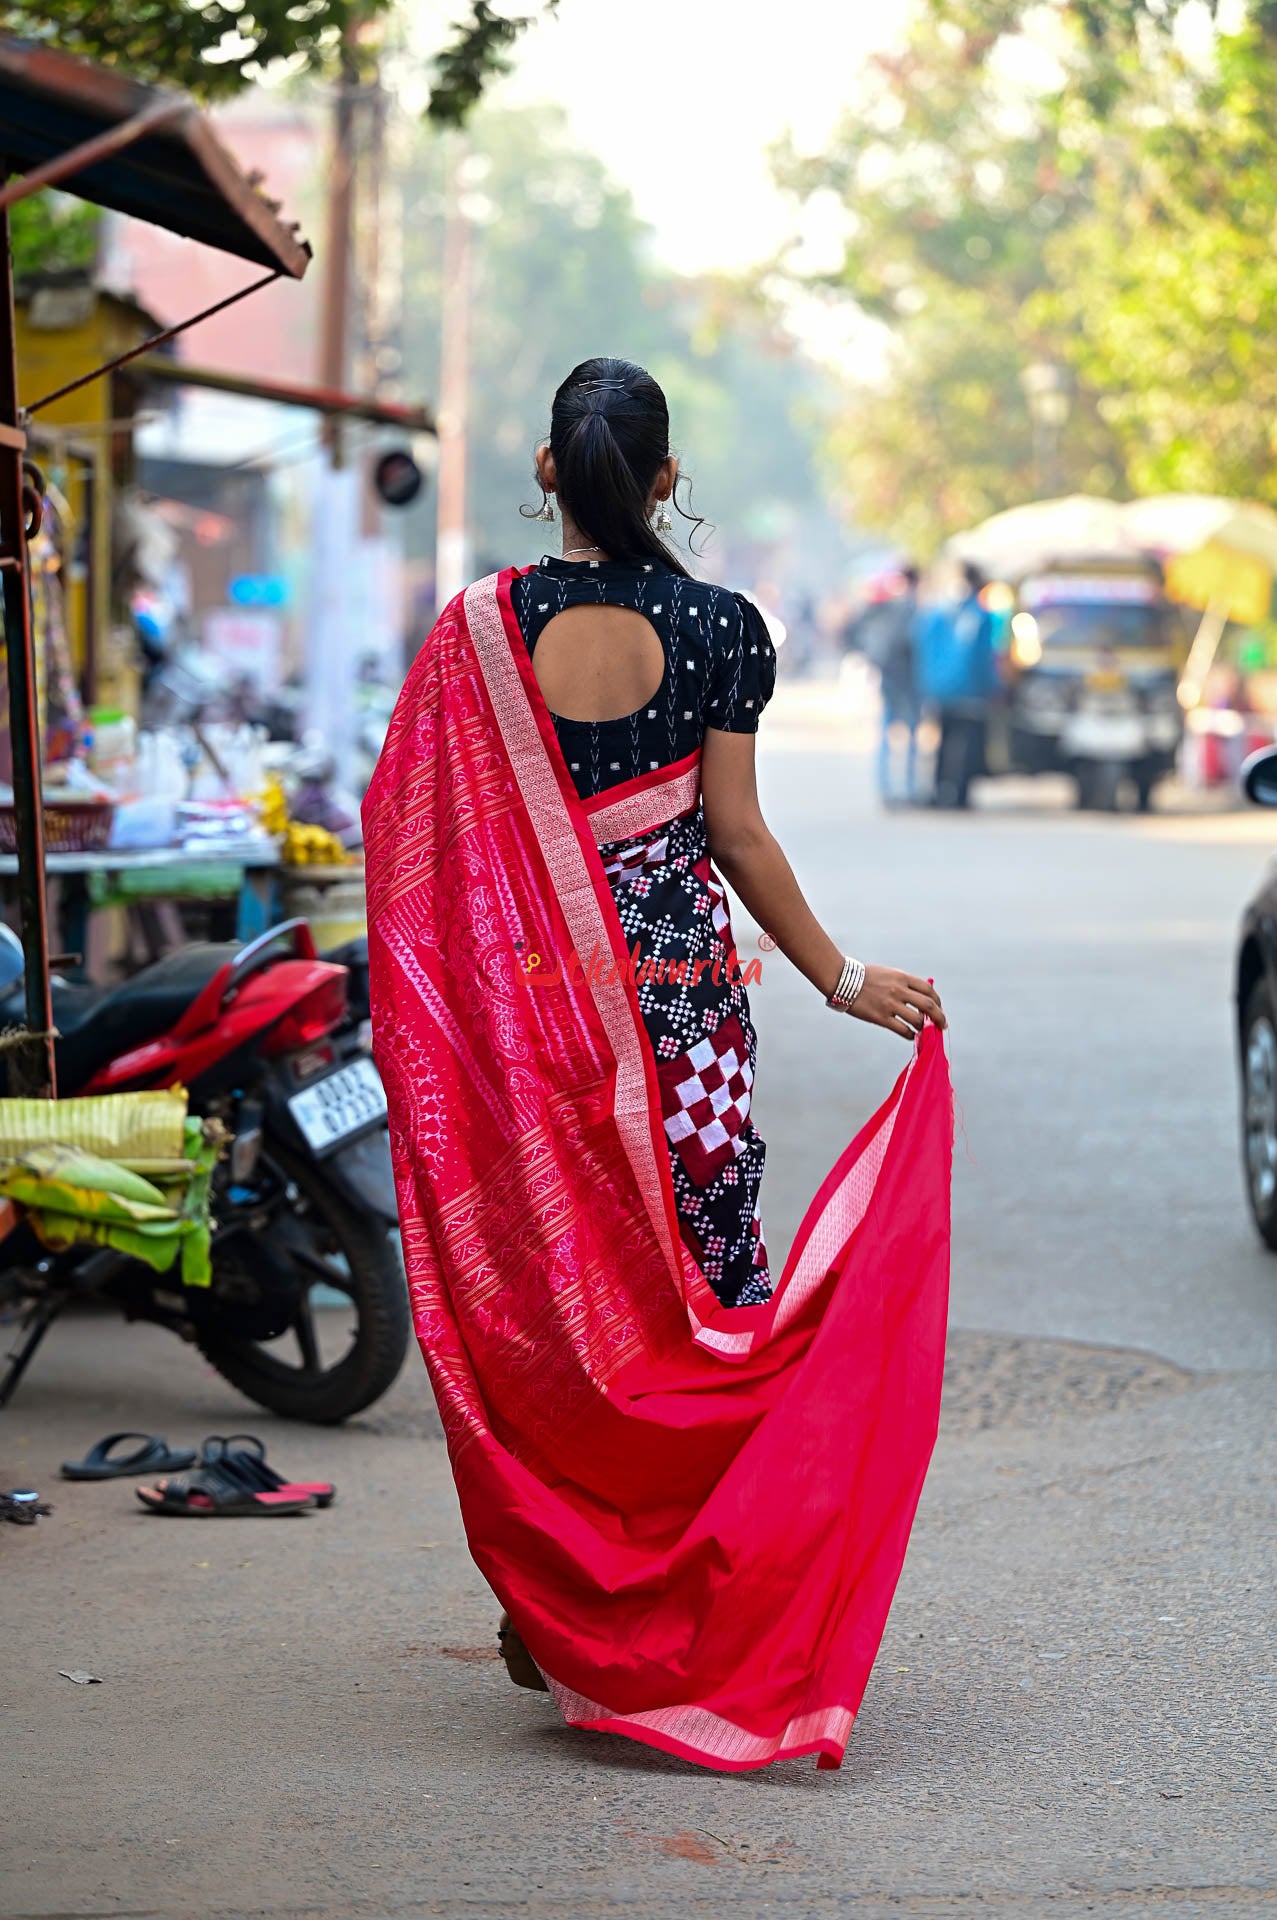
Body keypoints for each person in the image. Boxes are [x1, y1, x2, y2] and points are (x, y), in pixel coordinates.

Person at [363, 357, 953, 1773]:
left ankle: (554, 1594)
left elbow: (411, 837)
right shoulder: (722, 627)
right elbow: (734, 835)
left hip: (527, 1015)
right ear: (667, 478)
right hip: (682, 1012)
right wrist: (842, 977)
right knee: (696, 1290)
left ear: (547, 470)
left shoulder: (474, 633)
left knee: (548, 1288)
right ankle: (696, 1600)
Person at [929, 561, 996, 809]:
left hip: (941, 688)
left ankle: (939, 791)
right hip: (970, 690)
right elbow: (983, 658)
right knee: (967, 744)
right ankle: (960, 794)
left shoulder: (938, 611)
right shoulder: (980, 615)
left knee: (944, 741)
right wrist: (994, 687)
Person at [875, 564, 921, 805]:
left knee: (888, 735)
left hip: (893, 679)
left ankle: (887, 787)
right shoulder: (914, 611)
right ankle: (906, 788)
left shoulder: (889, 609)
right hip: (907, 680)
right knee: (909, 736)